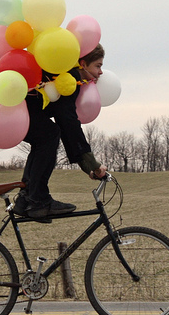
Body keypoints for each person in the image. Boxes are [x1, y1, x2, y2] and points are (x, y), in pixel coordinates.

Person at [14, 43, 108, 219]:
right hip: (15, 109)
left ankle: (26, 199)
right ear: (83, 64)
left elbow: (66, 124)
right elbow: (69, 123)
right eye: (98, 65)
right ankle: (38, 201)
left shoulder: (62, 73)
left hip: (15, 109)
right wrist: (91, 164)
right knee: (49, 134)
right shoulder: (67, 79)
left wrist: (87, 166)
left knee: (46, 135)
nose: (101, 72)